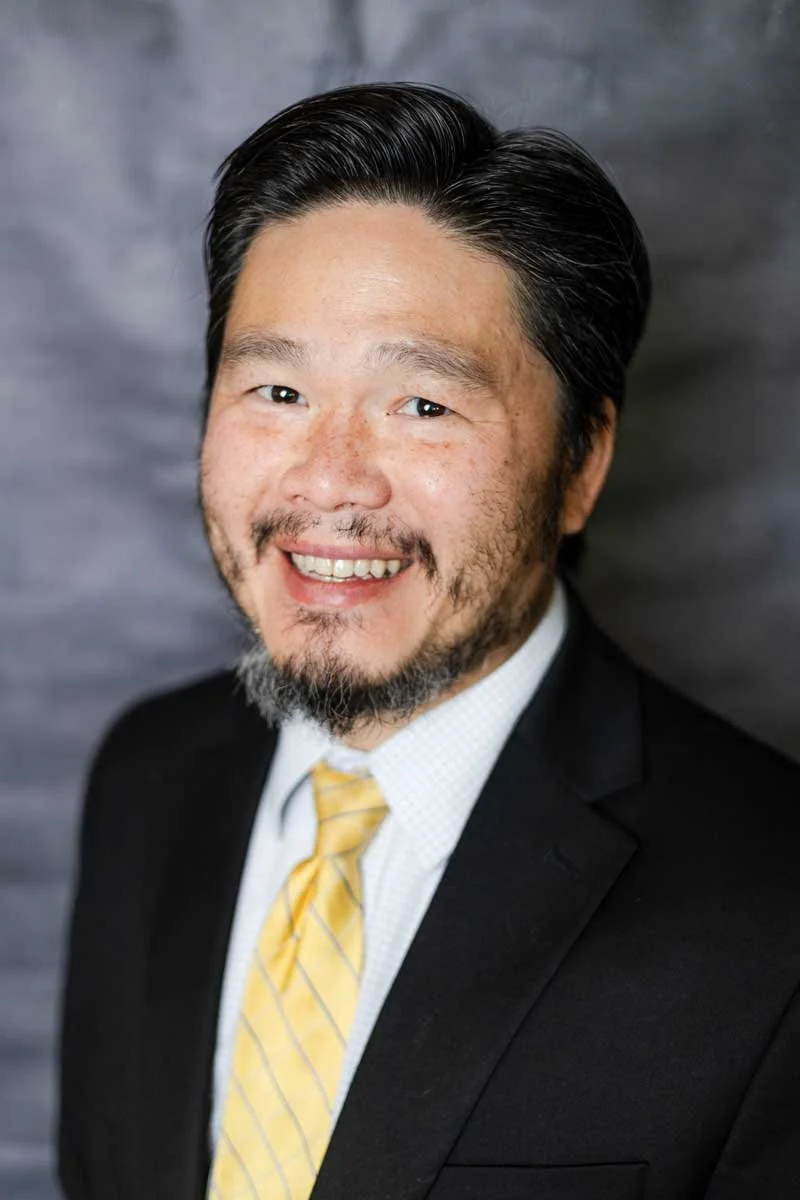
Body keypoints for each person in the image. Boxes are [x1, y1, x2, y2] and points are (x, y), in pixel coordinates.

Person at [58, 83, 800, 1200]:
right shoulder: (148, 778)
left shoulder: (772, 906)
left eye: (422, 406)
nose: (328, 482)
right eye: (277, 389)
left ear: (581, 463)